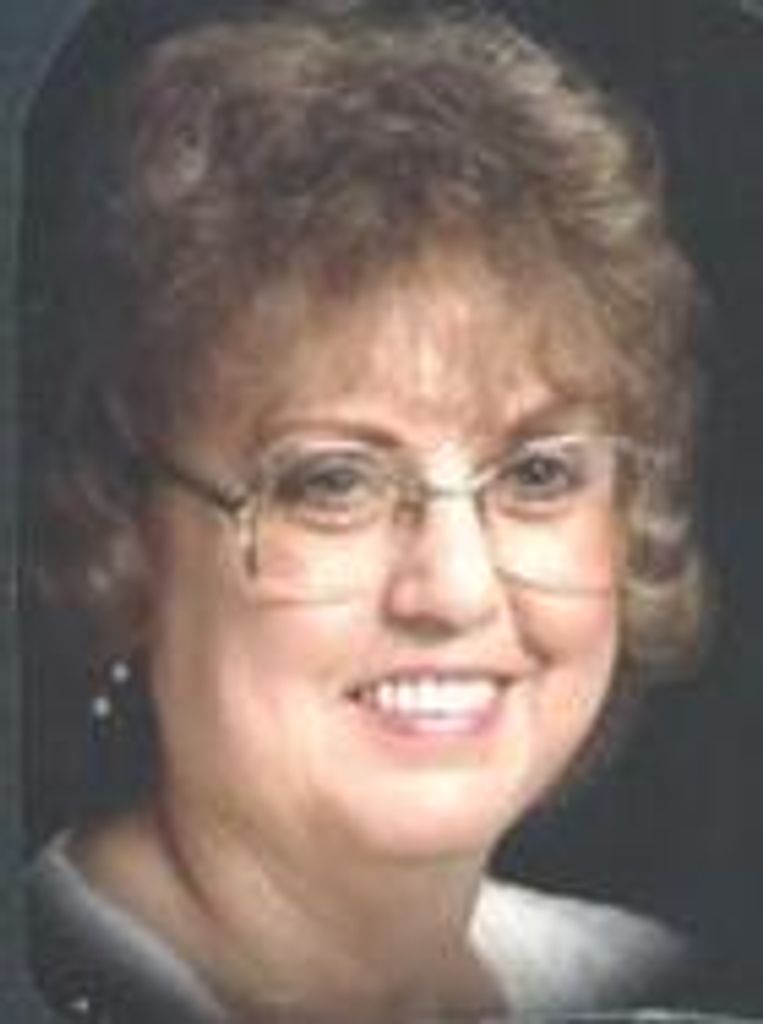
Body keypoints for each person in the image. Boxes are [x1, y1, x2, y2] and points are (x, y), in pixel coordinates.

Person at [23, 1, 707, 1020]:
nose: (455, 590)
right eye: (333, 483)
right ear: (124, 543)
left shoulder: (639, 977)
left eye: (536, 474)